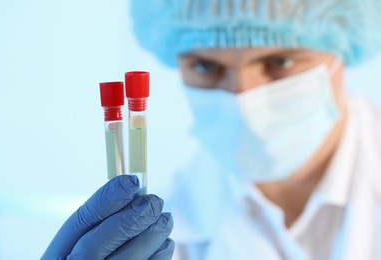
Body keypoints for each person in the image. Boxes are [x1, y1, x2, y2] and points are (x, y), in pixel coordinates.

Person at [43, 0, 381, 259]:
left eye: (279, 61)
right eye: (206, 66)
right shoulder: (150, 236)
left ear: (343, 46)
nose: (243, 99)